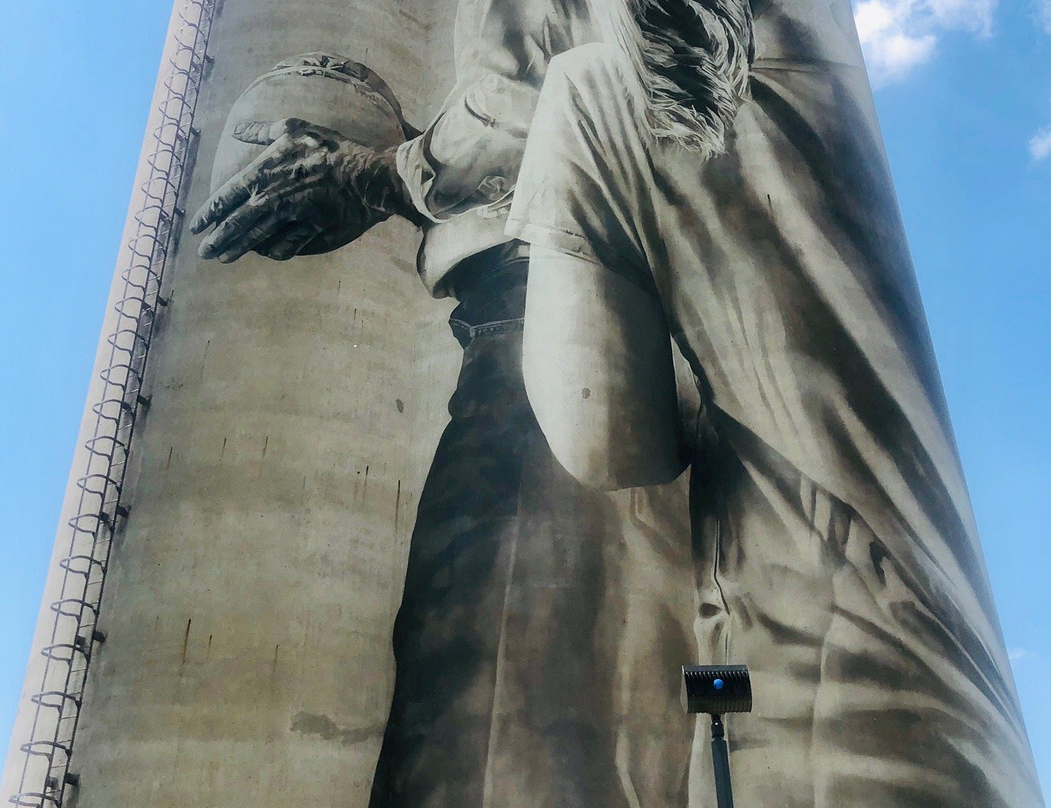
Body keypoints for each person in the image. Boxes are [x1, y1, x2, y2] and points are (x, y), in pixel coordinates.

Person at [504, 0, 1046, 805]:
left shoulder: (610, 88)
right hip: (969, 722)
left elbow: (604, 436)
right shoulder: (823, 62)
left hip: (808, 710)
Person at [189, 2, 719, 806]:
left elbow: (526, 114)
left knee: (481, 693)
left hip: (553, 324)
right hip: (638, 327)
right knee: (595, 708)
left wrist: (372, 173)